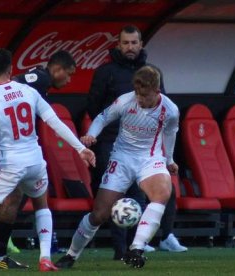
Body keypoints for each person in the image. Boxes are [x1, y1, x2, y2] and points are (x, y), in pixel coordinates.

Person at [0, 48, 95, 272]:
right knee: (41, 207)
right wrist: (80, 148)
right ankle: (44, 259)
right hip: (35, 161)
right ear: (11, 69)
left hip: (9, 163)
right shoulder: (28, 91)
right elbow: (55, 122)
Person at [55, 65, 178, 269]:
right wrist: (92, 134)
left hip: (150, 158)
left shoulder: (170, 110)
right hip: (121, 159)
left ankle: (136, 249)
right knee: (99, 214)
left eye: (145, 95)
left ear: (157, 91)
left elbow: (170, 133)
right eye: (138, 93)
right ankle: (71, 255)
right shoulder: (125, 100)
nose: (140, 99)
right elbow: (103, 117)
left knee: (163, 192)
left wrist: (169, 160)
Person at [87, 25, 186, 258]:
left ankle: (143, 242)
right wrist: (103, 132)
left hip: (145, 147)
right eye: (125, 43)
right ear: (118, 45)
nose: (130, 47)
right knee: (114, 197)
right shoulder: (106, 72)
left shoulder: (152, 72)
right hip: (112, 142)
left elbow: (163, 111)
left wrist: (166, 155)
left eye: (134, 42)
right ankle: (120, 249)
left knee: (155, 191)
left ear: (141, 45)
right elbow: (94, 107)